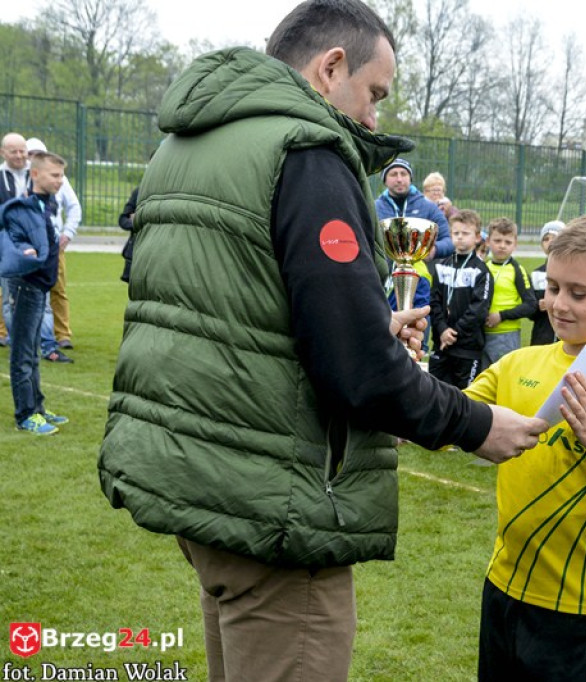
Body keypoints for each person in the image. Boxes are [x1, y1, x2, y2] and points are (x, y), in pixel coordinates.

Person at [96, 3, 547, 680]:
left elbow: (213, 299)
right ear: (330, 66)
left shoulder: (185, 143)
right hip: (274, 505)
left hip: (203, 482)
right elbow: (358, 372)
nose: (374, 119)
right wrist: (473, 423)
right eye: (374, 95)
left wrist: (362, 318)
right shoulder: (306, 151)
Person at [466, 215, 586, 682]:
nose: (558, 304)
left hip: (585, 611)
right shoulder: (519, 363)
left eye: (578, 293)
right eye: (552, 288)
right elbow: (448, 413)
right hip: (504, 589)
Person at [1, 151, 70, 435]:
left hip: (39, 285)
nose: (60, 180)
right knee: (23, 352)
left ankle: (38, 408)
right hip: (25, 284)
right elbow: (12, 236)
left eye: (62, 175)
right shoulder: (21, 208)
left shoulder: (49, 205)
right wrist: (23, 251)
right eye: (55, 175)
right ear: (35, 174)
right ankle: (25, 415)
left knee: (33, 351)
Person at [26, 138, 80, 362]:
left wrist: (67, 233)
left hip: (52, 245)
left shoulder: (57, 182)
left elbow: (74, 206)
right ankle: (12, 334)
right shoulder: (11, 177)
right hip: (25, 248)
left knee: (55, 290)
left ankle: (60, 335)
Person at [427, 209, 492, 389]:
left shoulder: (481, 271)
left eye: (465, 233)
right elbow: (434, 301)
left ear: (477, 237)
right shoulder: (442, 266)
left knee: (465, 398)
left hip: (467, 349)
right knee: (436, 393)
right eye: (456, 233)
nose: (460, 237)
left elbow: (479, 309)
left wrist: (454, 332)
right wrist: (442, 329)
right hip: (442, 344)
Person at [482, 217, 536, 369]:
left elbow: (531, 304)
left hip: (506, 336)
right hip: (480, 334)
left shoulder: (517, 271)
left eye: (507, 242)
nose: (502, 246)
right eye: (497, 241)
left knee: (503, 378)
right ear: (488, 242)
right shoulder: (482, 267)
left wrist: (501, 315)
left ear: (515, 245)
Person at [375, 158, 453, 258]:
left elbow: (448, 240)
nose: (399, 179)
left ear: (410, 178)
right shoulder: (375, 208)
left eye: (403, 174)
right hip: (383, 272)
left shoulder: (429, 207)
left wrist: (433, 250)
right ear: (385, 180)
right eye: (393, 174)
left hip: (418, 272)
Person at [0, 132, 30, 347]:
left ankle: (32, 339)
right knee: (9, 297)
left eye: (23, 151)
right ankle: (18, 339)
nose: (20, 156)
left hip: (34, 246)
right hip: (6, 246)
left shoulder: (36, 174)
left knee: (36, 296)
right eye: (14, 151)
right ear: (3, 153)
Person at [528, 219, 564, 346]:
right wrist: (537, 306)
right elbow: (529, 309)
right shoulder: (536, 274)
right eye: (546, 239)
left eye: (554, 237)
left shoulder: (572, 273)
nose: (550, 242)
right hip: (542, 336)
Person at [117, 186, 139, 283]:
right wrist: (136, 223)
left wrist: (140, 218)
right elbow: (123, 220)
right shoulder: (139, 192)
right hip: (135, 252)